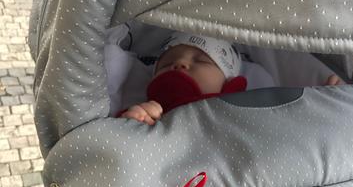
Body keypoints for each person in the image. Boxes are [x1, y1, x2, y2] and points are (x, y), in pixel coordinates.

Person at [120, 31, 341, 125]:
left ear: (231, 82)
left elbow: (285, 124)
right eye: (167, 63)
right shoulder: (149, 114)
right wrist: (132, 123)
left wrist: (323, 104)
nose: (179, 64)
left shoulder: (246, 106)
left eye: (201, 61)